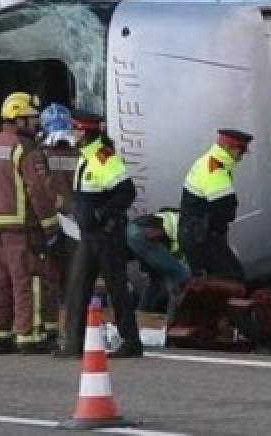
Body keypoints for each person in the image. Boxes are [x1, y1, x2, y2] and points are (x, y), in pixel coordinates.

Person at [58, 111, 141, 360]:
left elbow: (126, 192)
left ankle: (131, 341)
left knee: (117, 288)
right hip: (88, 236)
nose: (72, 135)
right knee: (77, 287)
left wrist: (101, 216)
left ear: (85, 132)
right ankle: (74, 343)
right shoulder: (86, 157)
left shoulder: (104, 158)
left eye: (76, 130)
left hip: (106, 236)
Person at [0, 93, 58, 354]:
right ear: (19, 119)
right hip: (21, 227)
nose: (36, 125)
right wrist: (49, 224)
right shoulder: (25, 149)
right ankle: (29, 335)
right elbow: (38, 189)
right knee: (28, 279)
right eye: (32, 119)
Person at [179, 129, 254, 282]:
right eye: (240, 150)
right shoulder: (215, 170)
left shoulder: (207, 161)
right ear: (227, 147)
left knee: (208, 282)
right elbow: (224, 209)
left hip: (193, 233)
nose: (241, 157)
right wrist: (218, 236)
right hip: (202, 236)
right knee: (230, 278)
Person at [36, 102, 78, 343]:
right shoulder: (78, 153)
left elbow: (43, 188)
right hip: (75, 222)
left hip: (52, 221)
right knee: (72, 275)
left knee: (51, 274)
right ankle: (68, 322)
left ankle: (53, 322)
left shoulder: (41, 154)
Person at [127, 208, 188, 315]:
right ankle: (174, 318)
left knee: (157, 280)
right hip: (144, 235)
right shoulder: (187, 226)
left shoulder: (175, 216)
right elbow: (178, 260)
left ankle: (142, 314)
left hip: (134, 231)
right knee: (180, 274)